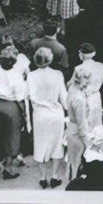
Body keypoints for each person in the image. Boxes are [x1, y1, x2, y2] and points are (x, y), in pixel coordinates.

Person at [28, 46, 68, 188]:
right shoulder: (57, 75)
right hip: (56, 113)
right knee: (56, 144)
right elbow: (64, 97)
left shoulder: (31, 75)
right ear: (50, 59)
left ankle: (43, 177)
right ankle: (55, 175)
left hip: (39, 114)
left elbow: (29, 96)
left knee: (40, 143)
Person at [0, 40, 31, 179]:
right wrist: (24, 115)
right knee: (12, 138)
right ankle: (7, 168)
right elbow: (21, 96)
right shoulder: (15, 76)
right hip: (11, 106)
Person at [65, 67, 100, 179]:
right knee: (78, 163)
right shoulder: (79, 99)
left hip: (71, 128)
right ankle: (75, 185)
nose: (88, 85)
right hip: (78, 133)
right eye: (87, 83)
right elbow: (81, 124)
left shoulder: (72, 89)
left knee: (72, 160)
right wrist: (88, 143)